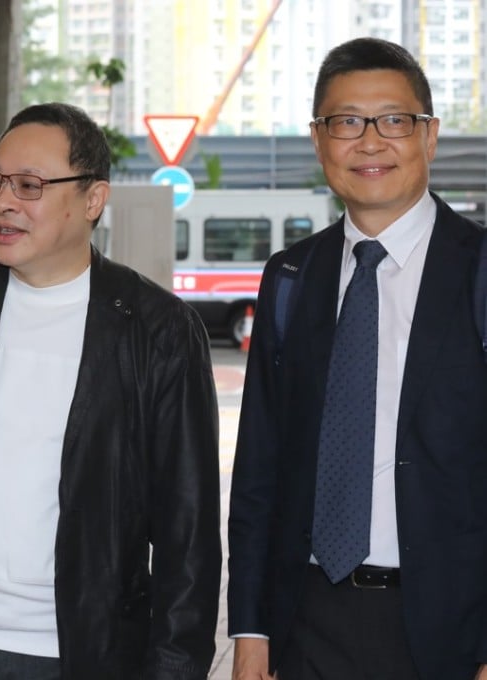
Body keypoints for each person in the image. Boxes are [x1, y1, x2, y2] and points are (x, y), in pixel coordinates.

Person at [0, 102, 221, 679]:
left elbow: (187, 525)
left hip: (86, 653)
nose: (3, 201)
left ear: (93, 200)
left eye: (29, 185)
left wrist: (174, 667)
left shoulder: (158, 329)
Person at [228, 37, 487, 680]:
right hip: (306, 622)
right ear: (319, 140)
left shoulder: (480, 270)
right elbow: (260, 465)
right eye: (346, 122)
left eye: (394, 120)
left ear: (429, 136)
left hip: (453, 630)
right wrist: (251, 628)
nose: (370, 142)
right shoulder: (289, 276)